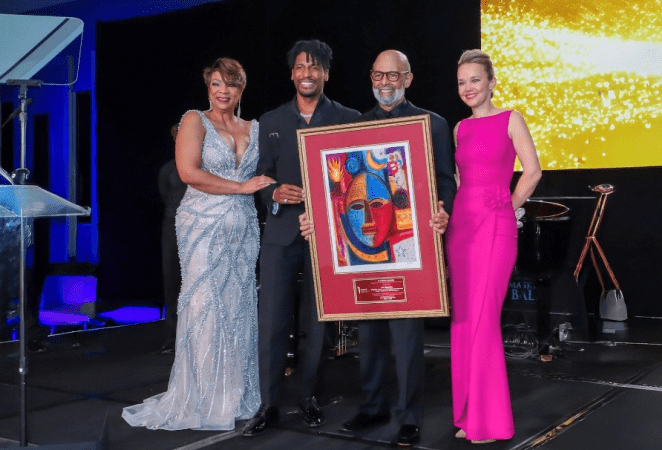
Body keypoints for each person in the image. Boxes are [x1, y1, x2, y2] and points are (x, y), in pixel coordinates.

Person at [306, 49, 457, 448]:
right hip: (365, 252)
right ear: (371, 78)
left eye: (393, 76)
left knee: (407, 339)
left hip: (413, 249)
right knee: (369, 335)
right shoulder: (355, 124)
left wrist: (443, 213)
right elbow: (337, 188)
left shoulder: (433, 123)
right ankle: (372, 408)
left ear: (408, 79)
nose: (385, 83)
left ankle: (409, 417)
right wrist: (319, 220)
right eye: (378, 75)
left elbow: (445, 181)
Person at [122, 57, 275, 430]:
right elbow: (189, 173)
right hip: (202, 225)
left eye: (232, 85)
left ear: (242, 88)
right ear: (208, 86)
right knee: (206, 307)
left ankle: (235, 393)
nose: (223, 92)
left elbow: (269, 175)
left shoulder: (256, 127)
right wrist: (240, 187)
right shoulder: (194, 119)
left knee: (238, 307)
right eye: (217, 84)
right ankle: (204, 397)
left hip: (243, 228)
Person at [243, 39, 361, 437]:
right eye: (300, 66)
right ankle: (268, 403)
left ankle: (309, 396)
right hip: (279, 234)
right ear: (291, 73)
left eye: (315, 67)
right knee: (272, 323)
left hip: (329, 238)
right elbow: (261, 178)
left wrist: (331, 209)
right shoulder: (271, 121)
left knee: (318, 325)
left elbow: (358, 180)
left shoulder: (348, 118)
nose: (307, 73)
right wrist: (272, 194)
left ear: (326, 73)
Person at [447, 49, 542, 443]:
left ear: (491, 82)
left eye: (475, 80)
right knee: (464, 320)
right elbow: (457, 179)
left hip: (495, 227)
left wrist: (509, 203)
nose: (468, 88)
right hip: (462, 230)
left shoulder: (510, 118)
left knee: (485, 319)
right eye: (462, 82)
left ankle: (489, 422)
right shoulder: (458, 129)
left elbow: (533, 170)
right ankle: (468, 413)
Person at [158, 124, 187, 354]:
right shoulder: (168, 169)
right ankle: (172, 335)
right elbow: (165, 195)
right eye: (176, 133)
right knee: (171, 280)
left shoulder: (202, 166)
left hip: (198, 226)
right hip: (172, 227)